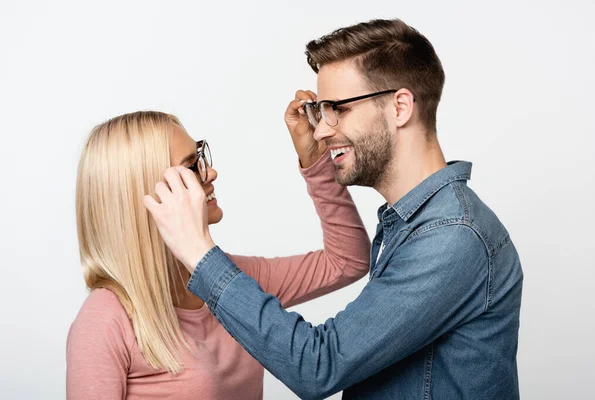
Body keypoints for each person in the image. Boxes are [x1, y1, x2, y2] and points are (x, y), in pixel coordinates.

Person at [146, 19, 524, 399]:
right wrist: (316, 162)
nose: (323, 129)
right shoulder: (414, 222)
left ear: (400, 107)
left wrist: (199, 252)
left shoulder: (450, 237)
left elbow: (318, 366)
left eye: (337, 109)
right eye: (319, 110)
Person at [66, 110, 371, 399]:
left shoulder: (234, 282)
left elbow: (347, 261)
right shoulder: (105, 321)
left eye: (201, 156)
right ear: (145, 194)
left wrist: (316, 162)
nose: (209, 172)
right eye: (190, 167)